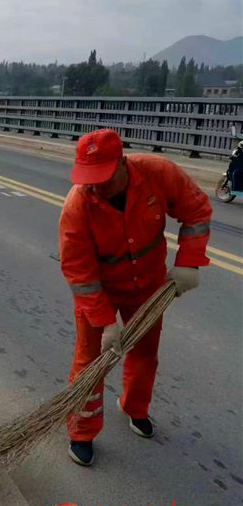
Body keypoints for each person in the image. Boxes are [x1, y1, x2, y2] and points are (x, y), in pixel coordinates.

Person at [59, 129, 212, 467]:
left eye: (102, 178)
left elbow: (197, 210)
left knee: (145, 351)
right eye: (88, 178)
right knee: (90, 360)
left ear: (123, 164)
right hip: (101, 288)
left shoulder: (158, 173)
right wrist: (104, 322)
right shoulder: (78, 205)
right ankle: (82, 431)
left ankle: (135, 408)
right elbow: (79, 273)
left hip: (147, 283)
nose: (94, 186)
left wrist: (188, 262)